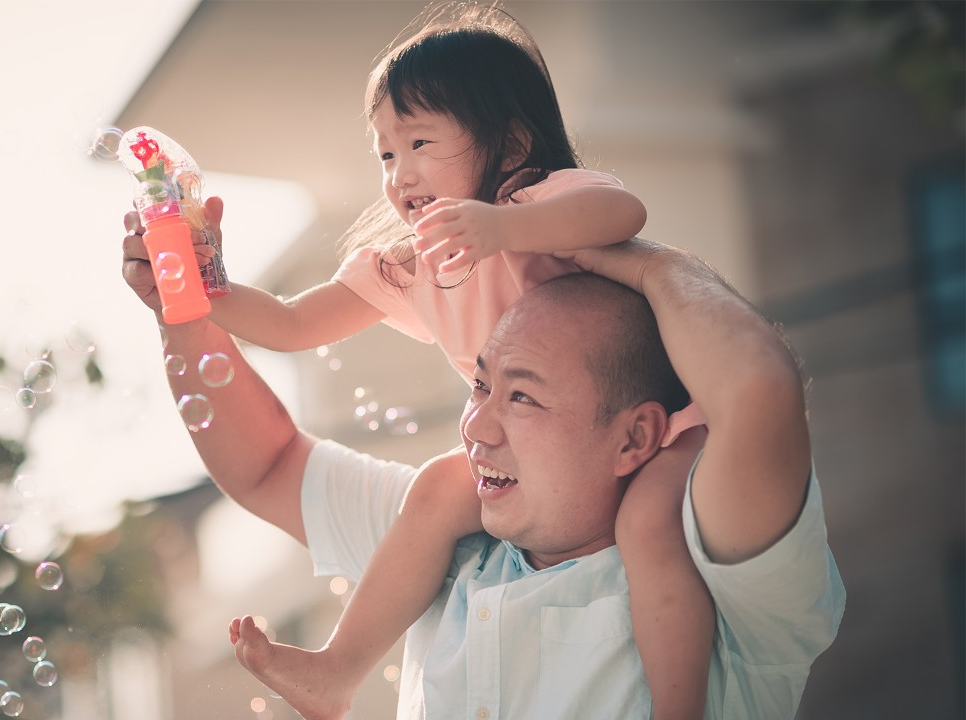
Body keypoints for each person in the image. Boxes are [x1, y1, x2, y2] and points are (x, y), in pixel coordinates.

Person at [177, 2, 712, 717]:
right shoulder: (416, 264)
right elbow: (291, 322)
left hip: (657, 431)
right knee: (435, 487)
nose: (400, 173)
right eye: (387, 154)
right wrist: (197, 282)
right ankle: (337, 670)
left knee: (651, 529)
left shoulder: (538, 204)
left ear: (512, 141)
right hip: (537, 460)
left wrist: (504, 225)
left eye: (421, 141)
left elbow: (623, 215)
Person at [123, 219, 846, 717]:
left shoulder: (722, 586)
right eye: (480, 385)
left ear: (635, 439)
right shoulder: (440, 541)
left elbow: (758, 392)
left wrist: (651, 266)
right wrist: (181, 306)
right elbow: (268, 465)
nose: (477, 425)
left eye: (522, 395)